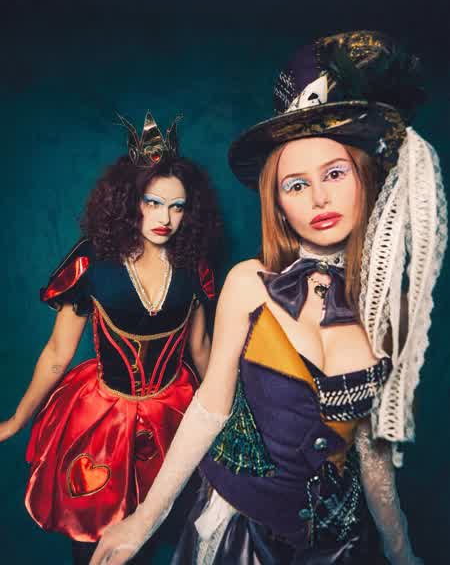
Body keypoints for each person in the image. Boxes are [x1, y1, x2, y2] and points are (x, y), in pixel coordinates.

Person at [90, 31, 447, 565]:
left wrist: (402, 552)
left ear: (364, 178)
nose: (320, 197)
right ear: (278, 204)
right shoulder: (247, 282)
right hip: (243, 536)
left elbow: (373, 455)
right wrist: (143, 521)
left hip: (338, 545)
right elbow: (210, 407)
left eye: (334, 173)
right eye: (296, 184)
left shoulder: (387, 306)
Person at [0, 111, 221, 564]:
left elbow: (201, 349)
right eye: (152, 202)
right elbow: (58, 353)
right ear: (128, 199)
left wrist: (232, 422)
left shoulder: (193, 263)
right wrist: (16, 420)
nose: (165, 218)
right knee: (95, 541)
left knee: (167, 533)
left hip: (174, 413)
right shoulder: (93, 261)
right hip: (102, 418)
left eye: (177, 207)